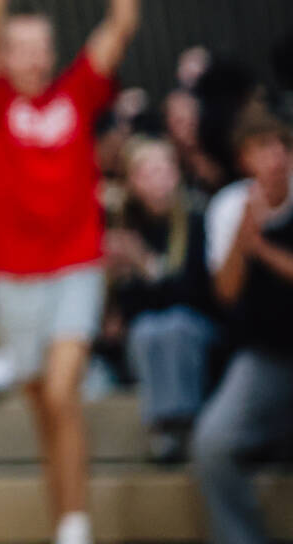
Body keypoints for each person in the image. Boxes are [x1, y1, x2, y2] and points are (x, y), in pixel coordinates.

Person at [0, 0, 144, 544]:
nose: (36, 55)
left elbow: (118, 28)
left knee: (64, 392)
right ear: (7, 55)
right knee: (48, 414)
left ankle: (74, 528)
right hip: (14, 273)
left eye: (44, 45)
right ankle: (69, 521)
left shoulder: (77, 93)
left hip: (76, 262)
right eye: (23, 46)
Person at [191, 109, 293, 544]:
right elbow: (226, 292)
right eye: (261, 148)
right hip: (266, 356)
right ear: (242, 159)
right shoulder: (230, 206)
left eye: (280, 145)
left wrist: (264, 250)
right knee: (211, 446)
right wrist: (244, 233)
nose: (273, 157)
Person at [103, 137, 219, 462]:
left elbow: (197, 295)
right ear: (131, 182)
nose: (158, 178)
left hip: (198, 325)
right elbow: (133, 311)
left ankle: (182, 423)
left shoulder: (197, 217)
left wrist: (147, 267)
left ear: (176, 173)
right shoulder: (127, 226)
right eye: (146, 171)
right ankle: (166, 427)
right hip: (153, 329)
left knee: (174, 325)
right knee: (148, 329)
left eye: (164, 168)